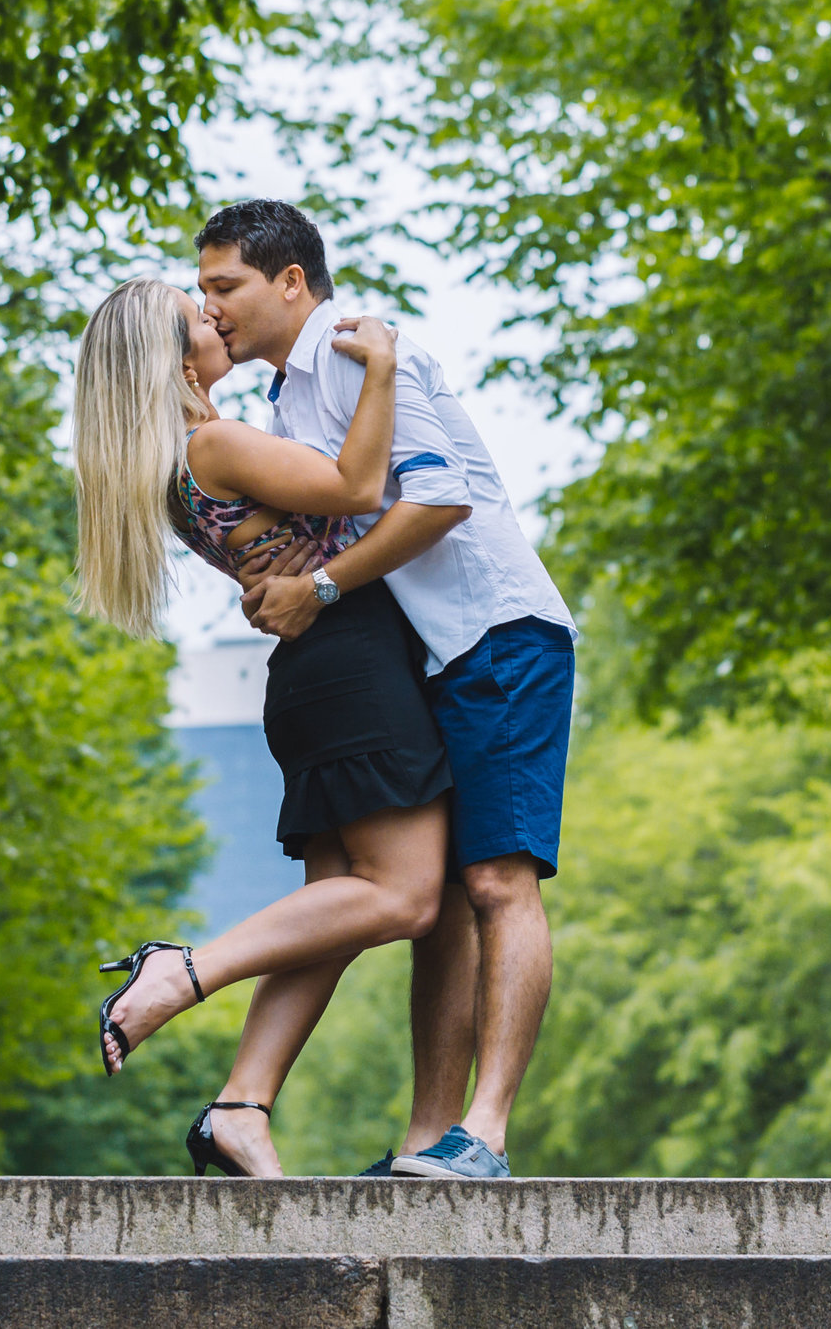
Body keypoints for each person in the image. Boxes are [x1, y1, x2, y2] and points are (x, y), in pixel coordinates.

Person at [197, 198, 577, 1182]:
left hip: (495, 634)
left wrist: (319, 586)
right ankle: (428, 1138)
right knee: (446, 903)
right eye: (202, 292)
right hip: (428, 654)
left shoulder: (365, 354)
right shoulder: (286, 400)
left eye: (223, 286)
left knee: (499, 882)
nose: (213, 307)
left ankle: (484, 1137)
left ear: (290, 280)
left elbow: (438, 498)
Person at [69, 275, 458, 1177]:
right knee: (405, 897)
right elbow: (358, 482)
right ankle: (181, 970)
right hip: (352, 663)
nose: (213, 316)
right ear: (172, 358)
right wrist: (384, 371)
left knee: (330, 915)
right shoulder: (217, 444)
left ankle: (241, 1104)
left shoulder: (176, 464)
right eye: (194, 313)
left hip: (314, 679)